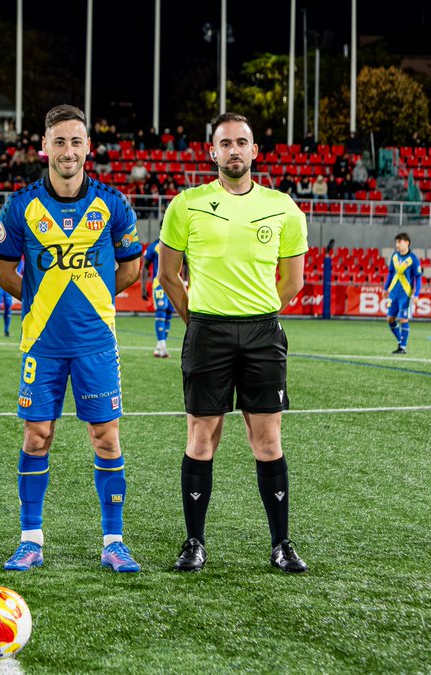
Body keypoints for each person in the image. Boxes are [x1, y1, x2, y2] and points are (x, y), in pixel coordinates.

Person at [157, 112, 309, 574]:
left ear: (254, 151)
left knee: (267, 439)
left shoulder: (283, 207)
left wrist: (257, 312)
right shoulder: (186, 205)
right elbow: (168, 274)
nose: (235, 150)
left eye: (242, 142)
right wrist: (199, 320)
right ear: (213, 152)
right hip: (208, 332)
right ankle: (194, 542)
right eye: (226, 144)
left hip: (263, 334)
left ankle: (281, 543)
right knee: (202, 437)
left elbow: (293, 281)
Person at [0, 104, 144, 574]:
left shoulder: (113, 204)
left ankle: (114, 541)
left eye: (75, 141)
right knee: (37, 436)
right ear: (44, 148)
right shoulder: (20, 206)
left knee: (106, 437)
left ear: (88, 148)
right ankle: (30, 540)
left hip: (96, 344)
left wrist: (94, 296)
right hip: (42, 344)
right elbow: (2, 271)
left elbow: (132, 268)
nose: (67, 150)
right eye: (58, 141)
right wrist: (42, 299)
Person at [384, 232, 422, 354]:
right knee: (390, 319)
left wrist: (416, 295)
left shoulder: (413, 259)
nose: (397, 245)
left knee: (403, 319)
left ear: (407, 243)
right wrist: (386, 288)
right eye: (396, 242)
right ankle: (401, 341)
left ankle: (403, 347)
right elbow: (390, 273)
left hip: (405, 294)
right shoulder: (394, 256)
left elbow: (418, 277)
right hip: (393, 293)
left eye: (399, 242)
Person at [141, 240, 177, 358]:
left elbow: (186, 263)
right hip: (159, 284)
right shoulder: (154, 246)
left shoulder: (177, 244)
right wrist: (143, 287)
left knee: (169, 313)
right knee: (161, 310)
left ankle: (160, 346)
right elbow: (145, 266)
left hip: (173, 285)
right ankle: (163, 347)